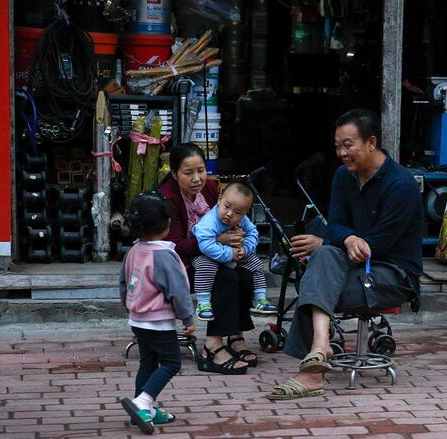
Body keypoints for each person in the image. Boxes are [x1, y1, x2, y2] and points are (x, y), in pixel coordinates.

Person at [267, 108, 424, 400]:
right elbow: (336, 223)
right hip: (352, 266)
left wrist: (335, 241)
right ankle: (320, 346)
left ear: (372, 142)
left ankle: (313, 370)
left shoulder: (401, 186)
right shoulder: (343, 176)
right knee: (324, 258)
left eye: (348, 145)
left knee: (315, 282)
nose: (341, 153)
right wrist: (346, 238)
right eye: (338, 146)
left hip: (392, 274)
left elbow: (380, 245)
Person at [157, 144, 260, 373]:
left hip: (214, 258)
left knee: (244, 274)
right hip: (180, 266)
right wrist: (220, 240)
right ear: (174, 174)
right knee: (226, 278)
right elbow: (176, 247)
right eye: (188, 173)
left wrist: (238, 236)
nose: (197, 178)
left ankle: (235, 336)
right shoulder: (168, 198)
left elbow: (233, 219)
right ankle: (212, 347)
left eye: (201, 170)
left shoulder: (212, 190)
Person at [119, 192, 196, 435]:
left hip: (138, 319)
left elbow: (123, 281)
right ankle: (143, 402)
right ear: (167, 225)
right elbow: (178, 290)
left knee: (148, 362)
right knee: (172, 363)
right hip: (159, 321)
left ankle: (144, 409)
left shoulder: (134, 251)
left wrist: (129, 304)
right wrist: (188, 318)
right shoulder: (164, 255)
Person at [190, 181, 274, 323]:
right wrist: (230, 253)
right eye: (226, 207)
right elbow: (205, 245)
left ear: (245, 213)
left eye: (237, 212)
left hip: (232, 253)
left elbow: (253, 233)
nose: (229, 214)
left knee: (256, 263)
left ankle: (260, 298)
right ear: (220, 199)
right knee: (205, 266)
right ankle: (203, 303)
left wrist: (245, 249)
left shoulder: (243, 219)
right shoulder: (209, 222)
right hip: (206, 255)